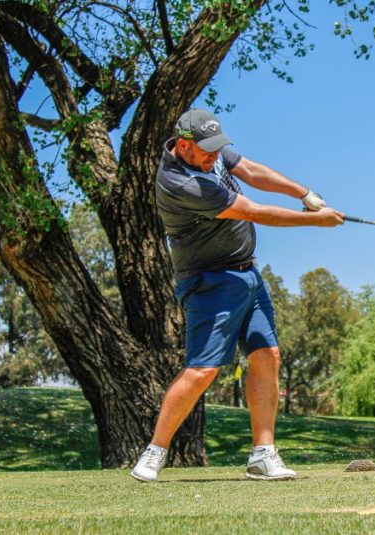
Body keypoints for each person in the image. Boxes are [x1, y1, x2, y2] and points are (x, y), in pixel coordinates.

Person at [131, 109, 344, 482]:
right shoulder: (179, 182)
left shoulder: (209, 150)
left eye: (218, 148)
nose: (216, 156)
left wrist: (306, 194)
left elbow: (252, 171)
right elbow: (255, 212)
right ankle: (155, 451)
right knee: (202, 371)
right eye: (207, 151)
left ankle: (263, 455)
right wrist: (317, 221)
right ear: (183, 146)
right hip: (210, 282)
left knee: (267, 354)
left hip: (247, 274)